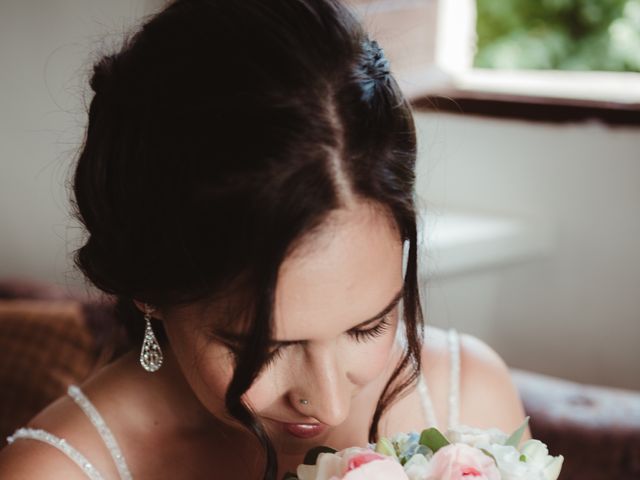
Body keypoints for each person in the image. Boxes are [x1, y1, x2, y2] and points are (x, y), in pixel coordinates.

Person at [0, 0, 530, 478]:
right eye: (266, 347)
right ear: (149, 289)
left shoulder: (471, 400)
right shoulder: (54, 473)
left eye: (368, 327)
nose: (328, 405)